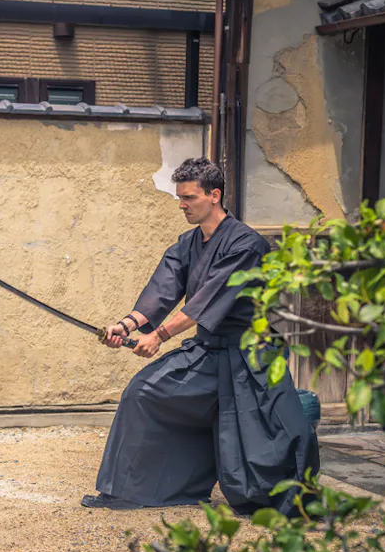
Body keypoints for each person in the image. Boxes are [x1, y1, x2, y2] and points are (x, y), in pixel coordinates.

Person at [81, 158, 319, 517]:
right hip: (208, 350)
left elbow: (206, 301)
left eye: (189, 197)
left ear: (214, 195)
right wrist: (127, 326)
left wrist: (158, 336)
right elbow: (163, 289)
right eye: (179, 197)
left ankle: (287, 502)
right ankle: (142, 489)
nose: (181, 205)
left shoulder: (247, 245)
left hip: (250, 356)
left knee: (271, 433)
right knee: (144, 393)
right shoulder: (188, 243)